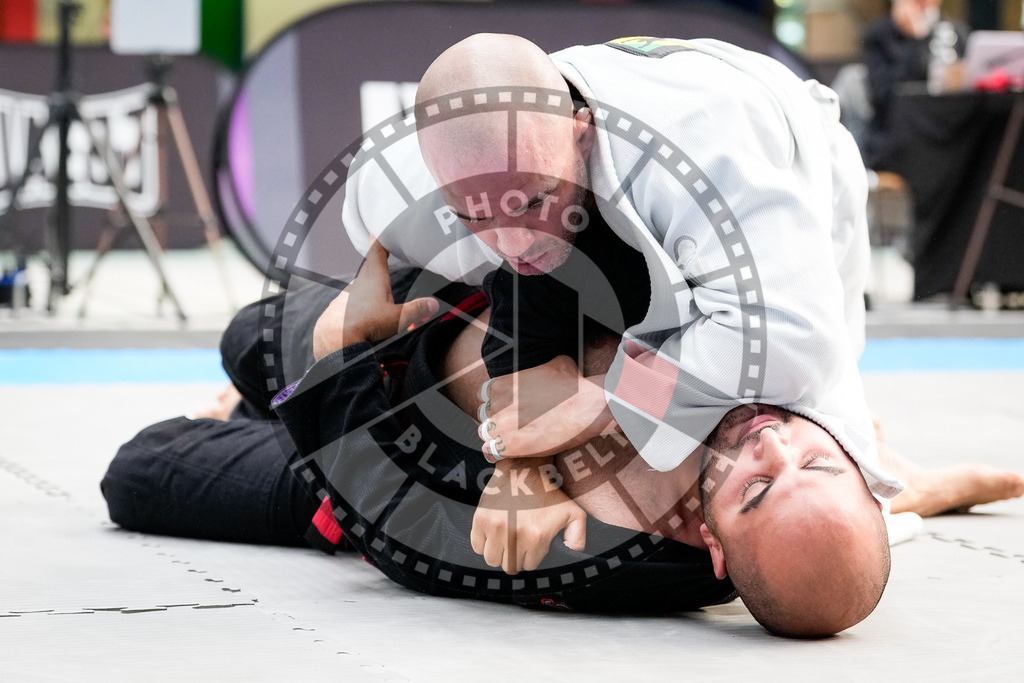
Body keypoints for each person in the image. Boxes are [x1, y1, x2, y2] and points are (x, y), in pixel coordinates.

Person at [102, 247, 1024, 632]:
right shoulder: (751, 391)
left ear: (712, 543)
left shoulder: (600, 550)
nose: (769, 444)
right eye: (814, 457)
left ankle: (271, 397)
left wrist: (344, 352)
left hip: (368, 454)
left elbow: (399, 524)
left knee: (143, 465)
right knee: (252, 330)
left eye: (757, 488)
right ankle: (910, 483)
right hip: (438, 325)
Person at [342, 34, 899, 635]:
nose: (513, 242)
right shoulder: (399, 198)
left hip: (797, 155)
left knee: (812, 400)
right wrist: (520, 466)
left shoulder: (704, 150)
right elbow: (517, 352)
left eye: (533, 200)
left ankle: (890, 471)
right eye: (476, 217)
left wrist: (604, 400)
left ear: (580, 135)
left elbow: (797, 342)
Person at [861, 0, 969, 169]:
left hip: (948, 134)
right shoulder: (880, 35)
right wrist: (915, 41)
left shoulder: (956, 33)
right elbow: (883, 94)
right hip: (899, 138)